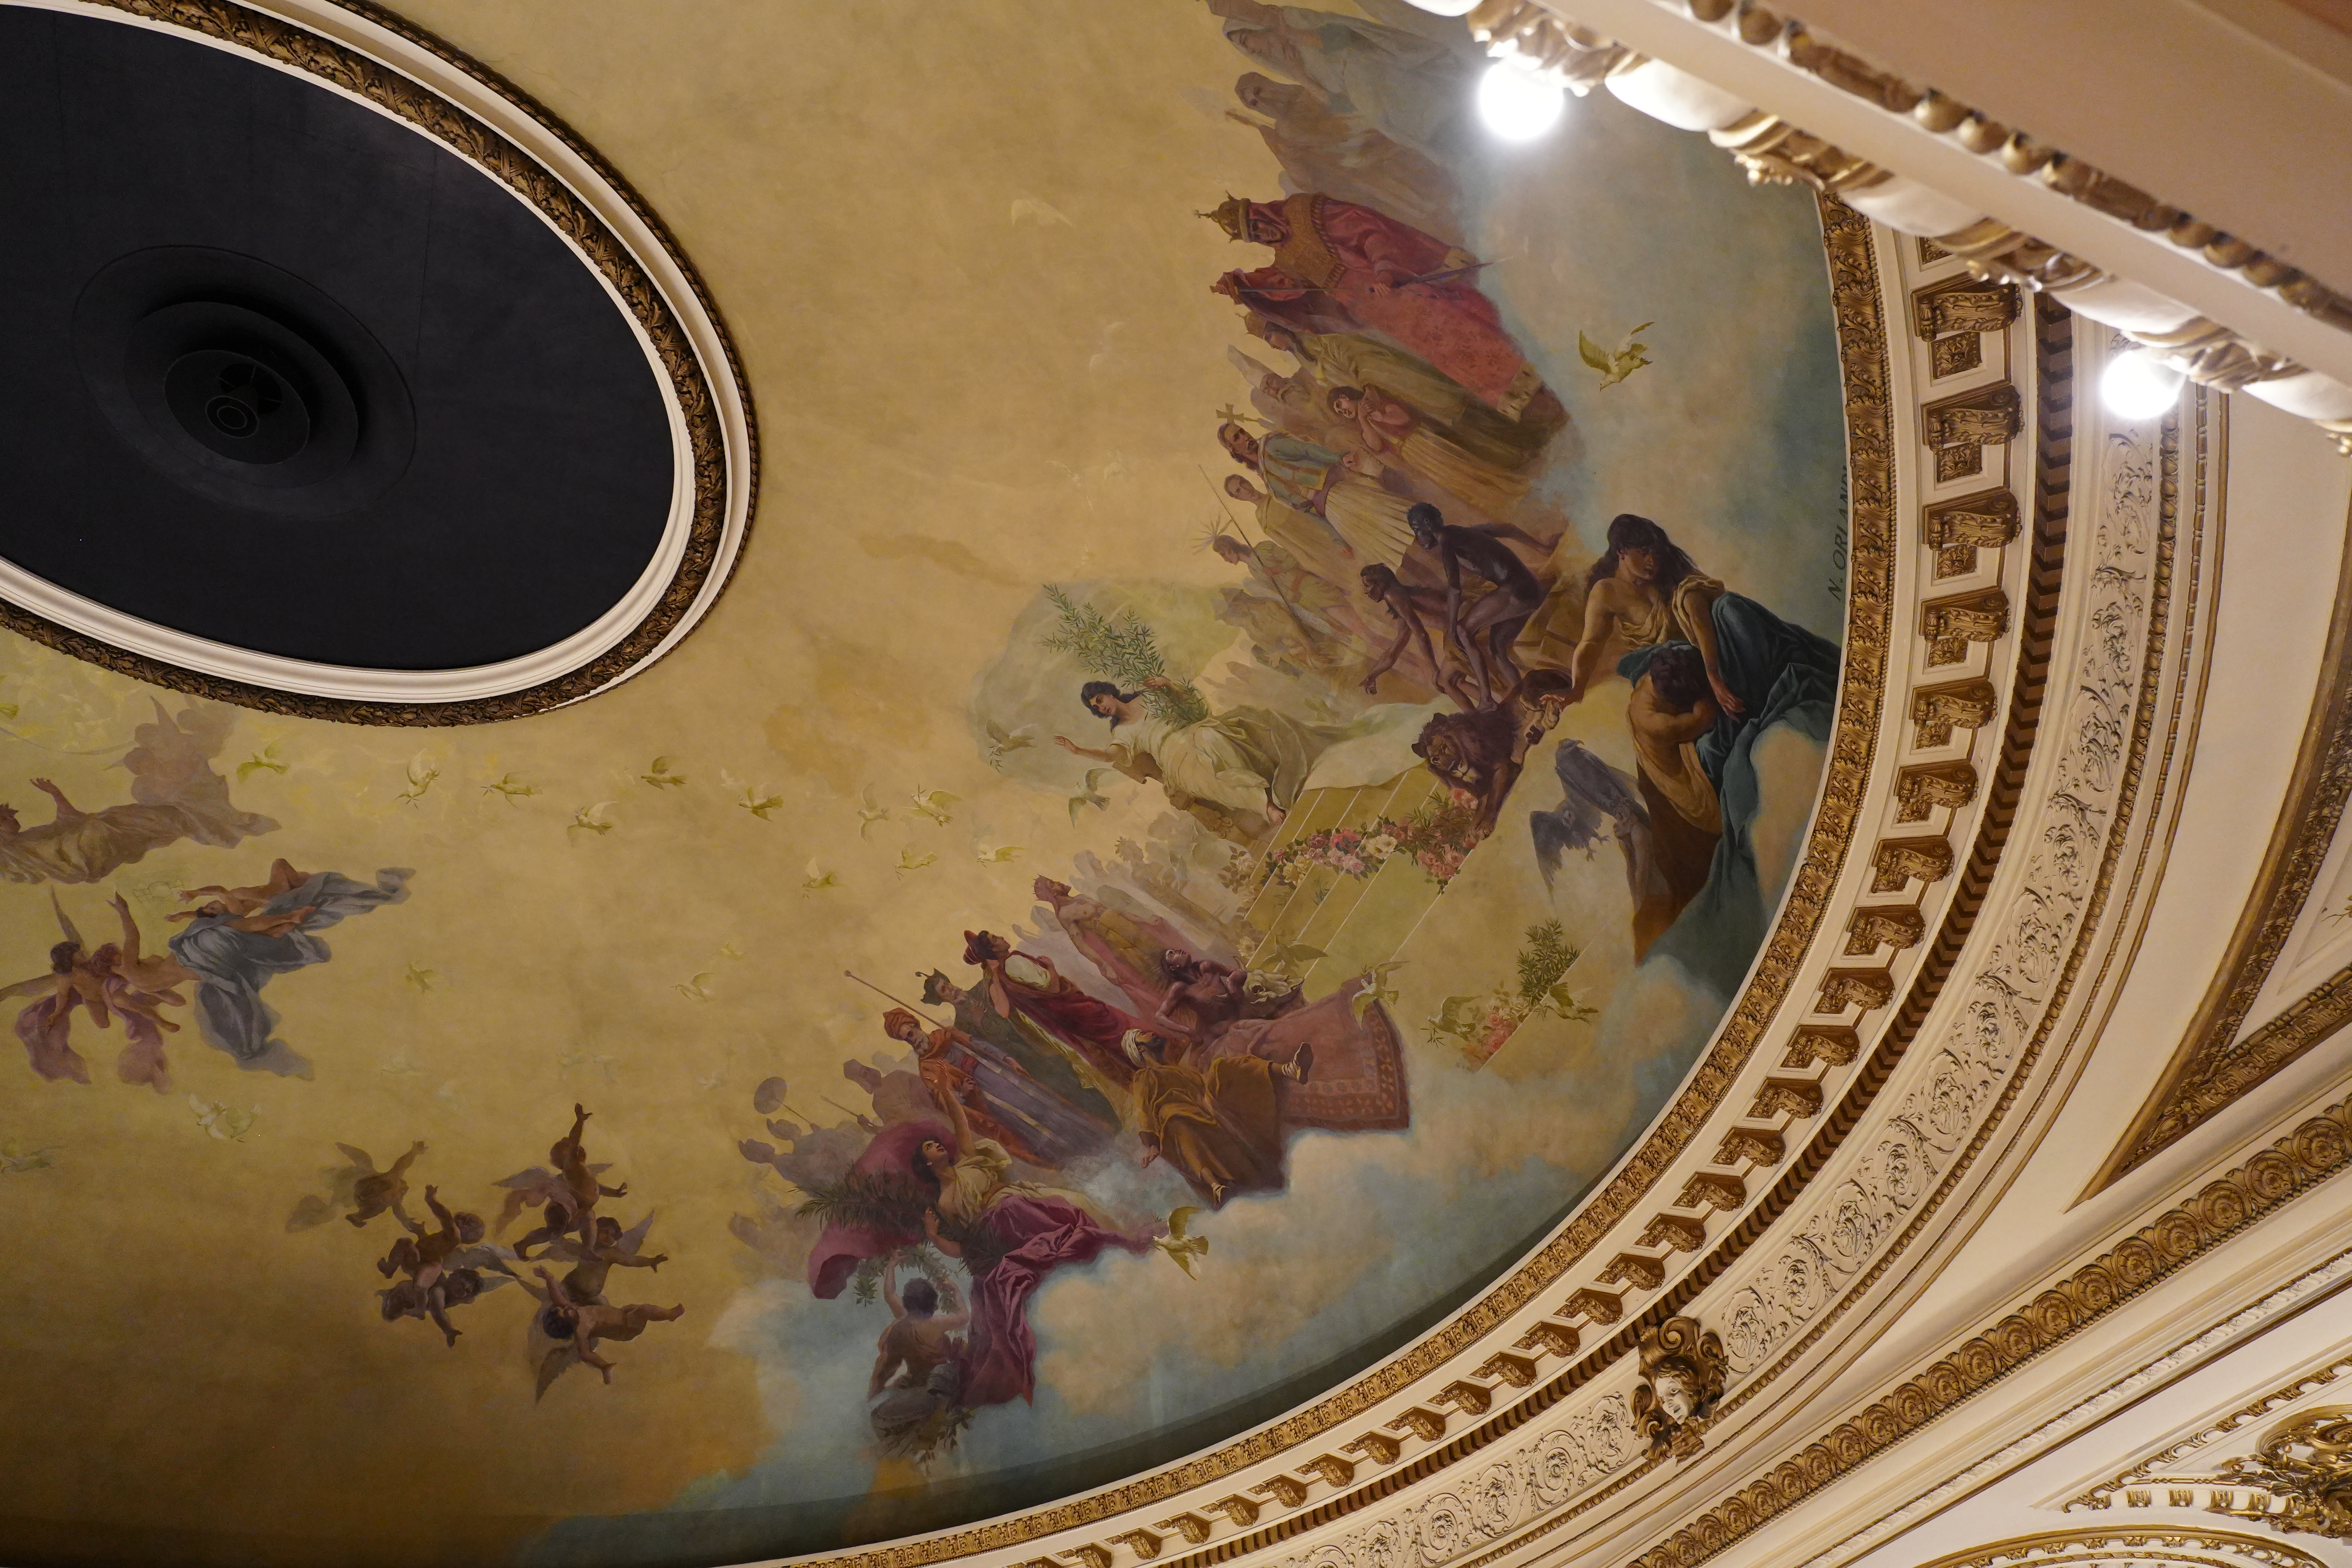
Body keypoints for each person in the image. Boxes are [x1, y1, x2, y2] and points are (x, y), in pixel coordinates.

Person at [1560, 513, 1840, 977]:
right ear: (1620, 553)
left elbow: (1702, 616)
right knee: (1694, 746)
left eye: (1656, 549)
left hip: (1702, 664)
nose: (1652, 560)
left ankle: (1760, 690)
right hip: (1668, 679)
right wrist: (1574, 688)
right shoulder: (1607, 592)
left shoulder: (1675, 580)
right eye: (1641, 552)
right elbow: (1591, 642)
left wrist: (1711, 673)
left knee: (1734, 613)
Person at [912, 1074, 1159, 1407]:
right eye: (930, 1147)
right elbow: (966, 1245)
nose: (938, 1145)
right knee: (1019, 1208)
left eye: (936, 1142)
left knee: (1077, 1202)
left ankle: (1127, 1244)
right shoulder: (945, 1202)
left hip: (1021, 1198)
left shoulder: (969, 1160)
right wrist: (932, 1235)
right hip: (1003, 1218)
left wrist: (947, 1094)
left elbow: (960, 1124)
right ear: (928, 1163)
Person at [1204, 193, 1538, 413]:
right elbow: (1282, 289)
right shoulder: (1287, 260)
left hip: (1395, 285)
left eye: (1258, 226)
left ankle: (1528, 370)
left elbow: (1368, 230)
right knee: (1439, 350)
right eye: (1255, 237)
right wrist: (1241, 287)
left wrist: (1385, 270)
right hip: (1378, 311)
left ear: (1261, 213)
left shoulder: (1305, 213)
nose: (1262, 235)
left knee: (1458, 325)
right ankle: (1515, 396)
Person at [165, 866, 410, 1075]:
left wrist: (192, 900)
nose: (212, 906)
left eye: (210, 907)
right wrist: (192, 901)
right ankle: (289, 919)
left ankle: (290, 917)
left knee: (270, 925)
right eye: (211, 909)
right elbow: (219, 901)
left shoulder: (233, 908)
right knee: (267, 928)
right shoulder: (232, 909)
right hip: (270, 908)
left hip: (273, 905)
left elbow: (218, 902)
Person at [0, 703, 278, 887]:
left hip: (102, 830)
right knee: (144, 819)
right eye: (7, 819)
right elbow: (62, 855)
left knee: (144, 819)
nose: (15, 821)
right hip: (95, 842)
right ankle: (203, 824)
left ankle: (201, 823)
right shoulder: (14, 853)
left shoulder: (25, 840)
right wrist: (90, 833)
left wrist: (56, 794)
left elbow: (64, 825)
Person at [1058, 676, 1345, 838]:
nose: (1101, 707)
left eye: (1100, 699)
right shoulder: (1121, 732)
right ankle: (1265, 805)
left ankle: (1268, 787)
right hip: (1174, 760)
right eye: (1096, 707)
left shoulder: (1147, 697)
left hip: (1193, 733)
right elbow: (1112, 756)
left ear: (1109, 693)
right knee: (1205, 775)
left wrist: (1169, 684)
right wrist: (1079, 751)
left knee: (1213, 738)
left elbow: (1190, 703)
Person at [1208, 0, 1476, 161]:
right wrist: (1301, 76)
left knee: (1446, 118)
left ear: (1252, 28)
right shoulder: (1289, 64)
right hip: (1374, 105)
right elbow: (1339, 105)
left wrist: (1291, 33)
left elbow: (1344, 37)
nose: (1251, 50)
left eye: (1245, 41)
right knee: (1437, 139)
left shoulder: (1292, 19)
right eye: (1244, 50)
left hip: (1386, 77)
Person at [1228, 71, 1462, 245]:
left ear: (1267, 81)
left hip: (1390, 148)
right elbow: (1306, 182)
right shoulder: (1284, 133)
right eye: (1255, 104)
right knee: (1423, 211)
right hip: (1370, 178)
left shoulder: (1312, 90)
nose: (1264, 102)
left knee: (1447, 184)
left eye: (1259, 91)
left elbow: (1359, 109)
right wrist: (1276, 145)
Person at [882, 1007, 1113, 1169]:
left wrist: (1007, 1059)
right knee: (1025, 1121)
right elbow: (943, 1098)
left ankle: (1093, 1141)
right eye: (907, 1040)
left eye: (911, 1034)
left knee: (1044, 1106)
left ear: (916, 1026)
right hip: (988, 1097)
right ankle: (1073, 1159)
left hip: (1003, 1076)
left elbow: (980, 1045)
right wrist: (961, 1095)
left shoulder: (946, 1034)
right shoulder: (927, 1067)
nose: (914, 1041)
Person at [1123, 1027, 1309, 1207]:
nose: (1151, 1033)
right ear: (1140, 1049)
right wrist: (1152, 1145)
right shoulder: (1144, 1077)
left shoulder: (1181, 1070)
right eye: (1143, 1035)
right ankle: (1215, 1186)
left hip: (1209, 1109)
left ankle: (1288, 1070)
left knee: (1221, 1066)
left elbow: (1205, 1086)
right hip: (1183, 1123)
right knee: (1173, 1116)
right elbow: (1143, 1111)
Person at [1406, 503, 1551, 708]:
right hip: (1525, 589)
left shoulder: (1447, 540)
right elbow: (1505, 528)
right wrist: (1542, 548)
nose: (1417, 537)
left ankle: (1486, 699)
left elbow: (1454, 590)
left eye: (1417, 529)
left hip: (1519, 590)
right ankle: (1527, 701)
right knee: (1497, 648)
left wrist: (1450, 627)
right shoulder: (1461, 533)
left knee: (1462, 631)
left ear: (1428, 524)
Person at [962, 929, 1146, 1090]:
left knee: (1106, 1042)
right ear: (993, 950)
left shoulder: (1002, 972)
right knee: (1114, 1029)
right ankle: (1148, 1065)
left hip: (1061, 1016)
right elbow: (1053, 989)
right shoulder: (1014, 963)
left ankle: (1143, 1071)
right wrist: (1051, 967)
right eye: (996, 939)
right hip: (1069, 1007)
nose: (1002, 937)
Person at [1222, 420, 1416, 572]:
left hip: (1341, 495)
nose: (1245, 436)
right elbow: (1308, 511)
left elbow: (1308, 451)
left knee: (1395, 523)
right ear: (1235, 451)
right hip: (1334, 515)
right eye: (1237, 437)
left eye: (1242, 431)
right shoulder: (1269, 483)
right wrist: (1338, 539)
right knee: (1381, 549)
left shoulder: (1272, 445)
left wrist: (1338, 457)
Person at [1332, 383, 1534, 518]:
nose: (1343, 411)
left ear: (1346, 396)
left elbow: (1404, 419)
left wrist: (1377, 416)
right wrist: (1363, 420)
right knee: (1454, 480)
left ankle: (1511, 488)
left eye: (1340, 405)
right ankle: (1499, 503)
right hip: (1412, 455)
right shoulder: (1362, 424)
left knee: (1464, 467)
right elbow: (1376, 447)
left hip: (1423, 440)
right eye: (1340, 412)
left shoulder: (1374, 401)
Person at [866, 1258, 970, 1461]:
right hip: (923, 1387)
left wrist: (891, 1266)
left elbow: (889, 1295)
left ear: (907, 1302)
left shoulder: (901, 1325)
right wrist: (956, 1292)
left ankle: (901, 1447)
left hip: (930, 1392)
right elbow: (964, 1317)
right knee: (892, 1399)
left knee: (877, 1416)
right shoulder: (938, 1323)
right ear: (932, 1304)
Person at [523, 1266, 684, 1388]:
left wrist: (548, 1277)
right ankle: (670, 1315)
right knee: (645, 1311)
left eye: (563, 1308)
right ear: (567, 1323)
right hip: (625, 1328)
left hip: (622, 1314)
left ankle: (666, 1316)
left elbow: (556, 1296)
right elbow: (585, 1354)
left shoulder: (573, 1309)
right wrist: (604, 1367)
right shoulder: (582, 1329)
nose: (566, 1308)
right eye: (565, 1312)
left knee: (637, 1308)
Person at [1358, 563, 1478, 706]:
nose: (1366, 592)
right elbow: (1394, 650)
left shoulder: (1393, 596)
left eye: (1368, 585)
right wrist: (1373, 675)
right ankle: (1484, 713)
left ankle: (1483, 714)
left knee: (1445, 681)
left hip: (1464, 621)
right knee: (1451, 680)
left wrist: (1434, 669)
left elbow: (1421, 635)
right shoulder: (1402, 602)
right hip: (1462, 623)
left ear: (1380, 584)